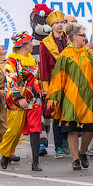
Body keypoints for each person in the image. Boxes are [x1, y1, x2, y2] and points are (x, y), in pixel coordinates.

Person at [45, 22, 93, 171]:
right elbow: (58, 78)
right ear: (74, 37)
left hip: (88, 97)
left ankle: (83, 152)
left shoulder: (90, 54)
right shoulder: (65, 56)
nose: (85, 38)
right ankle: (75, 158)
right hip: (70, 97)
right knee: (72, 129)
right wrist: (53, 98)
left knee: (90, 127)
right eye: (82, 35)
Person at [0, 32, 43, 171]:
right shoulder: (11, 61)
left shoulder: (32, 60)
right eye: (30, 42)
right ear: (23, 45)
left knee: (35, 129)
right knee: (15, 130)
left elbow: (35, 79)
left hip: (33, 98)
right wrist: (19, 97)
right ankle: (6, 155)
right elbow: (10, 79)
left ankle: (35, 162)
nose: (32, 45)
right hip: (16, 99)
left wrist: (40, 90)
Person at [36, 10, 70, 158]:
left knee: (68, 112)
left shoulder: (69, 39)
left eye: (62, 22)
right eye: (57, 23)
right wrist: (45, 88)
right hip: (54, 81)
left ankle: (65, 140)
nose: (60, 25)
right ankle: (58, 146)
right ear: (51, 25)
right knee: (56, 114)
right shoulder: (45, 43)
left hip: (70, 81)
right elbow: (43, 66)